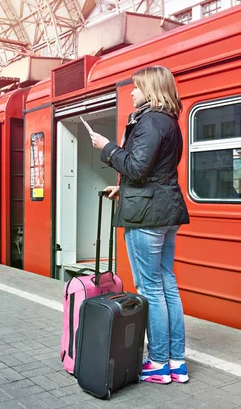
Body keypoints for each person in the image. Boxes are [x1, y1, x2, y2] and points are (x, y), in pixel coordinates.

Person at [90, 65, 190, 385]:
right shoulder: (170, 122)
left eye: (136, 87)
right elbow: (155, 172)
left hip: (146, 216)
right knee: (168, 287)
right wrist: (124, 188)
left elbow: (136, 166)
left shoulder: (149, 121)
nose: (131, 92)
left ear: (150, 89)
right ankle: (176, 361)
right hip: (166, 210)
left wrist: (106, 148)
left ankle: (159, 362)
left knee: (151, 290)